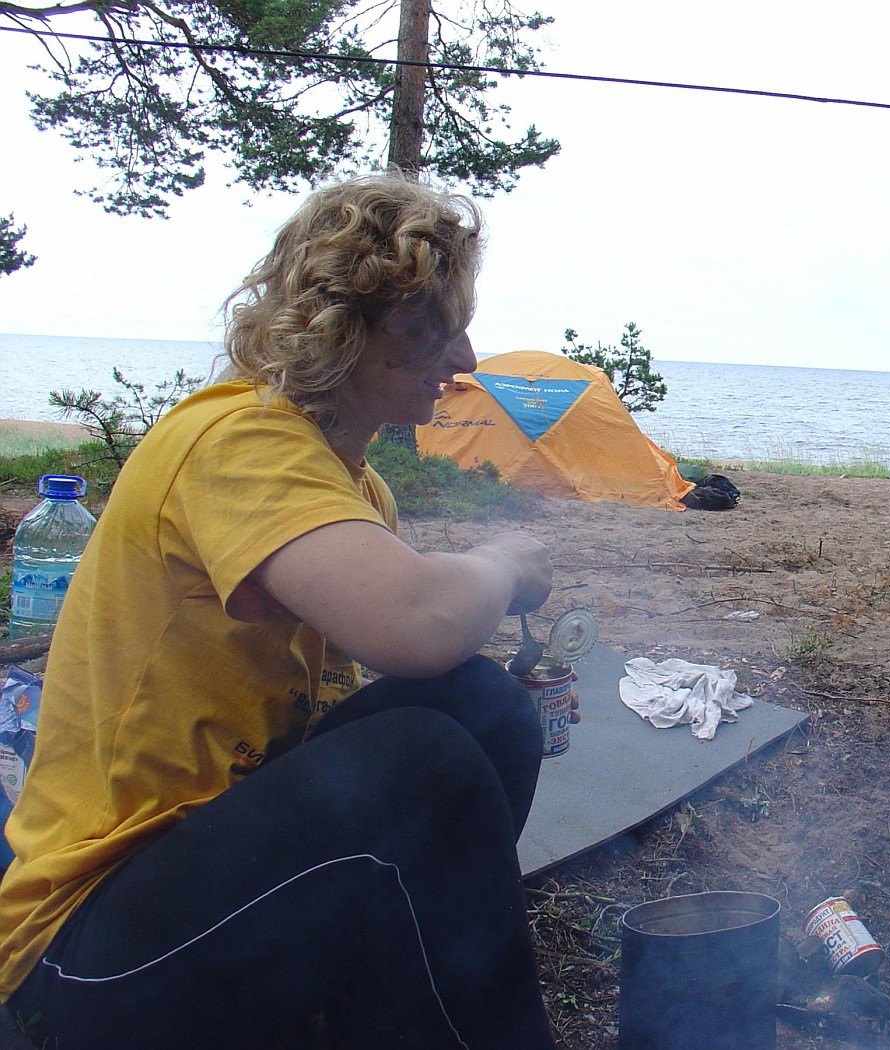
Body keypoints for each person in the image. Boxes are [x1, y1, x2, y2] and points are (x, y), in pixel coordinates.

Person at [0, 172, 561, 1049]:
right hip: (86, 950)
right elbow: (411, 623)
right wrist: (500, 561)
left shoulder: (355, 485)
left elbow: (412, 653)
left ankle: (381, 1011)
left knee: (479, 708)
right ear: (343, 330)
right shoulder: (238, 439)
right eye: (432, 330)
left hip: (226, 896)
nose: (466, 362)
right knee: (419, 760)